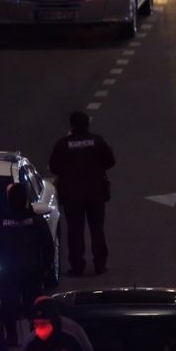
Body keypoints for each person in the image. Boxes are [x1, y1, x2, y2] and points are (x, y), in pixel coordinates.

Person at [0, 183, 55, 345]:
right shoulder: (36, 221)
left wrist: (1, 261)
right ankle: (36, 335)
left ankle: (12, 336)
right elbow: (48, 247)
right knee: (32, 305)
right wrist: (45, 269)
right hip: (32, 271)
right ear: (26, 199)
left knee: (8, 304)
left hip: (8, 271)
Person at [48, 110, 116, 276]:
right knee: (97, 229)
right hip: (96, 193)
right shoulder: (97, 141)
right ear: (87, 124)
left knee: (75, 231)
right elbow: (110, 161)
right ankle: (100, 264)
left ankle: (77, 265)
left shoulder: (63, 144)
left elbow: (54, 167)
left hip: (72, 195)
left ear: (71, 125)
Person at [19, 297, 97, 351]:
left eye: (43, 323)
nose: (40, 328)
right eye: (36, 324)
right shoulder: (31, 342)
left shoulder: (72, 333)